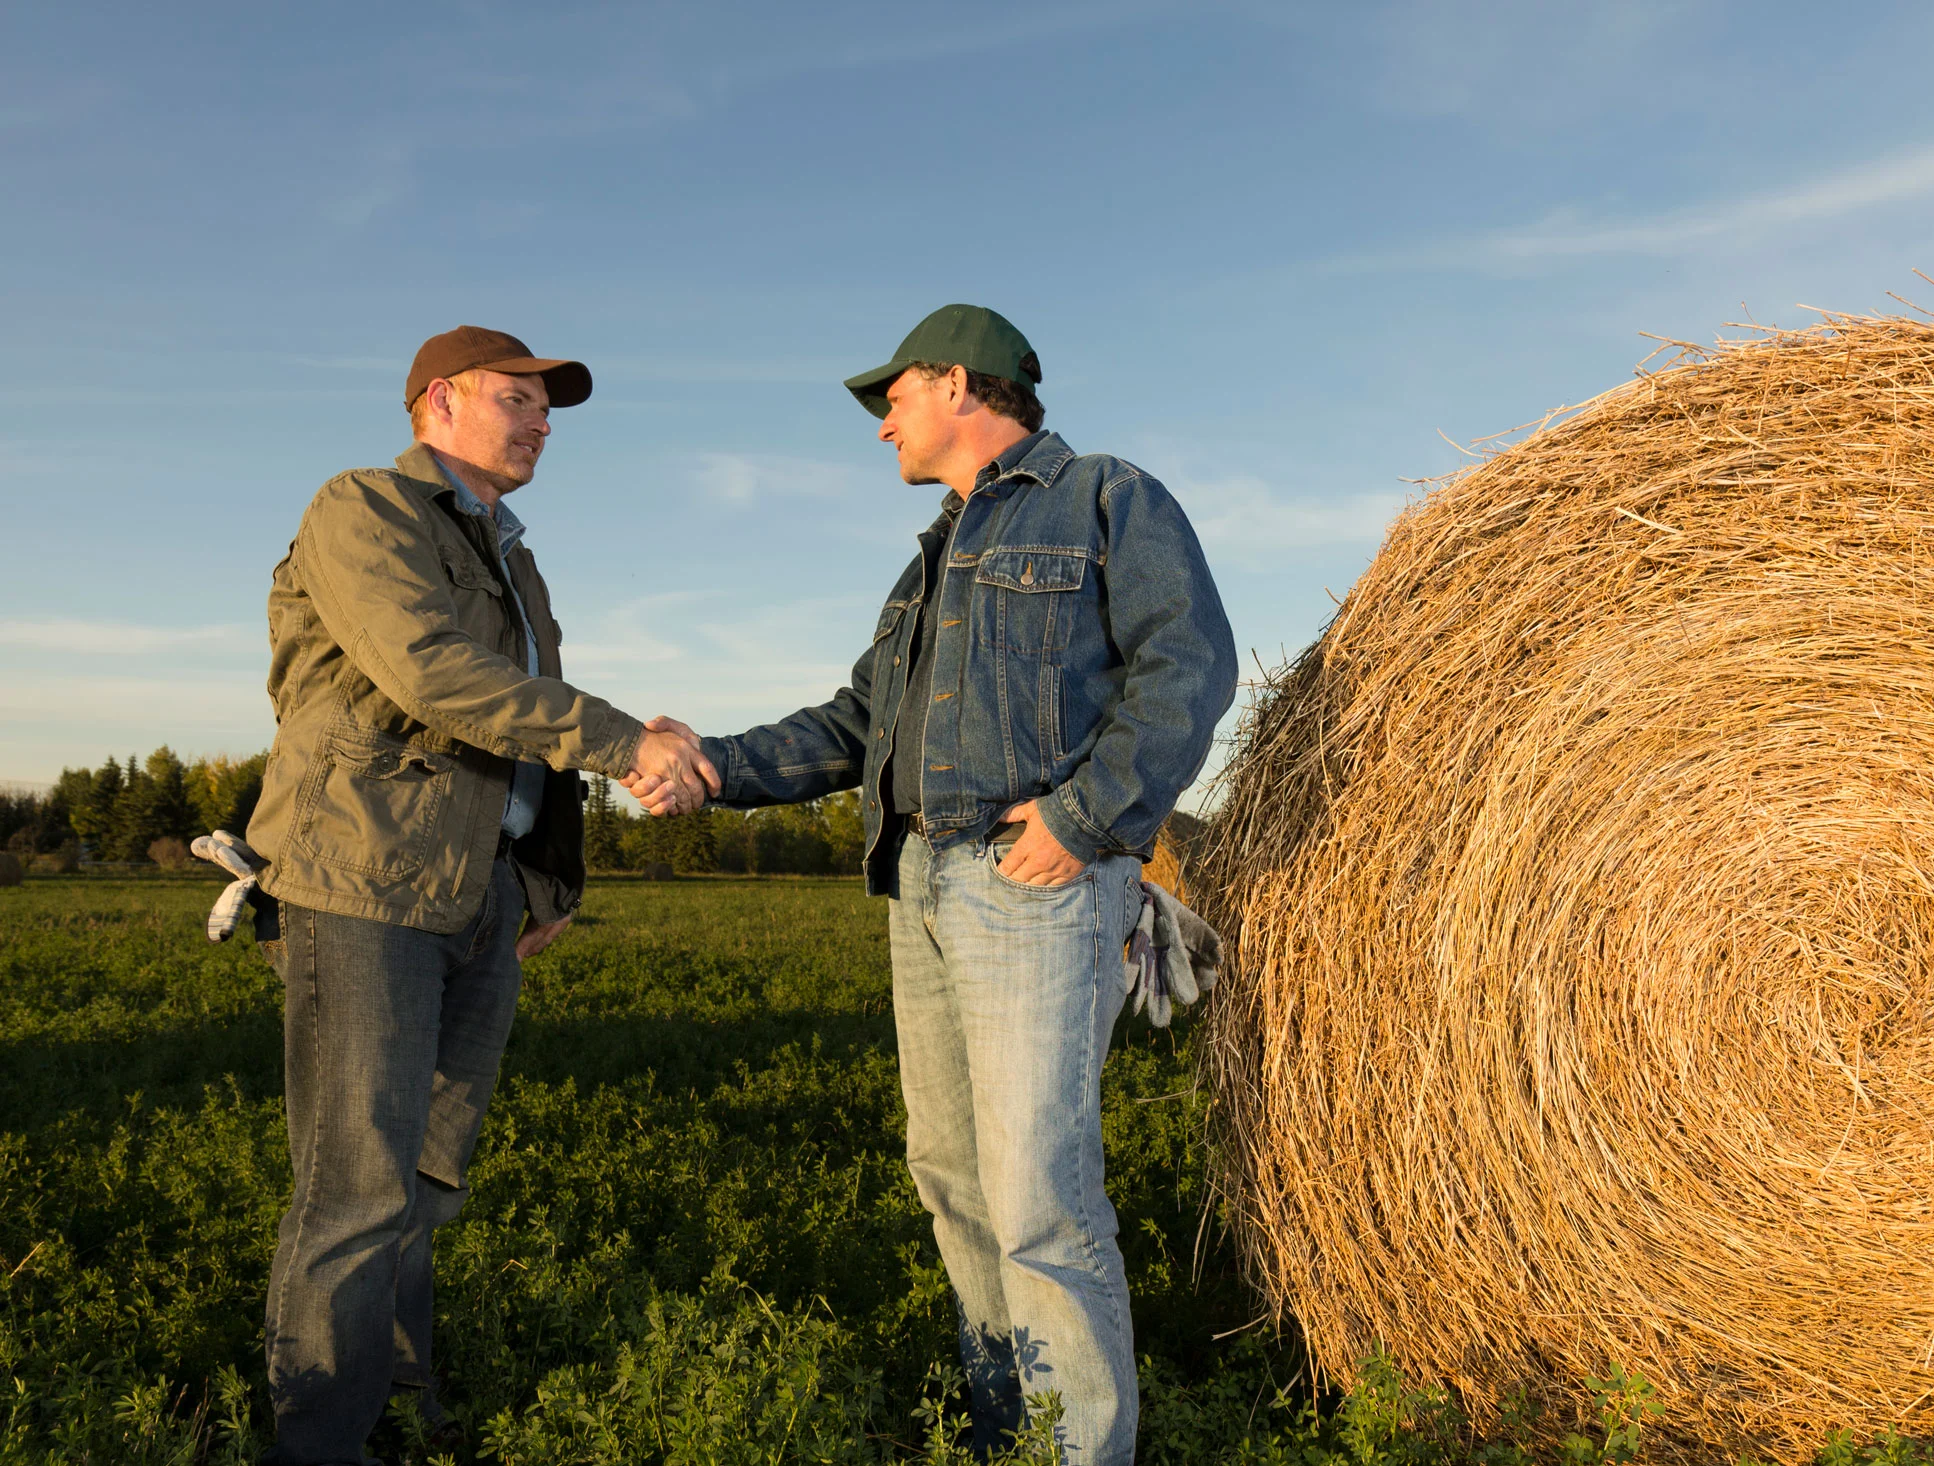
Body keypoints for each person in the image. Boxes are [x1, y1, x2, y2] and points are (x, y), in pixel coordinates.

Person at [628, 304, 1237, 1463]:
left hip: (1030, 881)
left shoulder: (1107, 496)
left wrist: (1083, 816)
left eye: (892, 399)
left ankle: (1080, 1452)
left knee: (1038, 1198)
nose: (881, 429)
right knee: (951, 1177)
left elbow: (1188, 663)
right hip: (919, 879)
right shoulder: (930, 560)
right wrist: (713, 764)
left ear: (958, 382)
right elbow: (860, 723)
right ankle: (1013, 1432)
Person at [246, 325, 720, 1464]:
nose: (541, 419)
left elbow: (524, 723)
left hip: (478, 895)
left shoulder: (516, 558)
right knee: (356, 1185)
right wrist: (628, 741)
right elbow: (435, 673)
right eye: (518, 398)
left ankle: (397, 1410)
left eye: (546, 405)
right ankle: (317, 1441)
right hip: (364, 885)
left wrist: (544, 873)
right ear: (435, 403)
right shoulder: (363, 508)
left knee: (423, 1176)